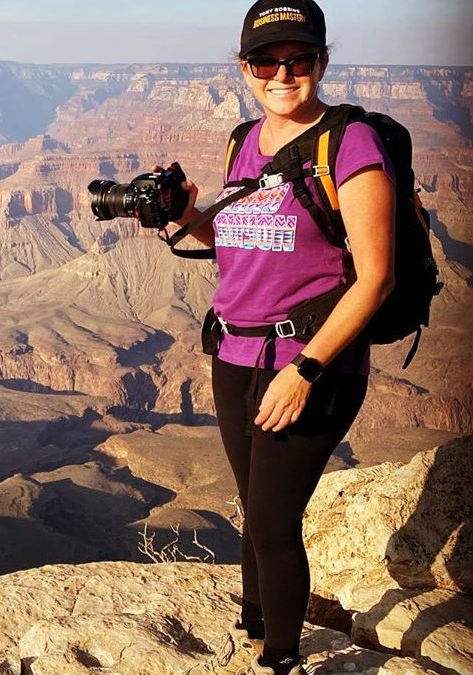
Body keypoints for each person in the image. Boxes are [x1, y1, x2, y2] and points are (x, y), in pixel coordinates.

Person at [166, 1, 396, 673]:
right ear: (245, 68)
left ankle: (282, 660)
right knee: (253, 507)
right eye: (266, 60)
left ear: (322, 62)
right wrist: (184, 215)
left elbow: (376, 277)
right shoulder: (242, 140)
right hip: (234, 353)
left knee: (271, 520)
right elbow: (234, 244)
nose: (283, 73)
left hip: (311, 363)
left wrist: (308, 368)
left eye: (299, 59)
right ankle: (253, 621)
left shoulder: (348, 142)